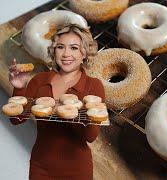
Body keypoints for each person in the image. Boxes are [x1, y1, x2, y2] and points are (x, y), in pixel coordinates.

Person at [8, 24, 105, 180]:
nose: (66, 54)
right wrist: (19, 88)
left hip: (77, 168)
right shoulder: (39, 81)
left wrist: (70, 112)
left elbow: (90, 136)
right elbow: (16, 119)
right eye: (61, 47)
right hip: (41, 166)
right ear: (54, 50)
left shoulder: (93, 85)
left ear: (84, 53)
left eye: (74, 48)